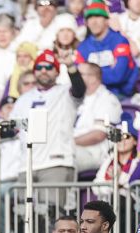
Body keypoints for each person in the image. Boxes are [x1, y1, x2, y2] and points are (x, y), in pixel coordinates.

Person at [10, 49, 86, 187]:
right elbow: (14, 127)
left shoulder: (65, 92)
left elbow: (80, 89)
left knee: (52, 208)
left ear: (57, 72)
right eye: (39, 67)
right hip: (26, 165)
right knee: (21, 208)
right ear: (34, 71)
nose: (44, 70)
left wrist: (71, 67)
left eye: (49, 67)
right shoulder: (23, 99)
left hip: (56, 162)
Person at [77, 1, 139, 97]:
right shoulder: (82, 47)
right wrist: (108, 70)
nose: (94, 21)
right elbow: (80, 80)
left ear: (107, 20)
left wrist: (90, 74)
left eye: (98, 16)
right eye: (90, 17)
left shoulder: (120, 41)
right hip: (92, 96)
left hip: (121, 95)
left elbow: (117, 76)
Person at [72, 62, 123, 175]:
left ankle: (67, 193)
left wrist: (68, 143)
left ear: (93, 78)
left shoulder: (107, 100)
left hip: (94, 152)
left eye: (79, 74)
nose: (74, 79)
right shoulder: (76, 98)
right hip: (74, 147)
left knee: (64, 158)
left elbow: (98, 135)